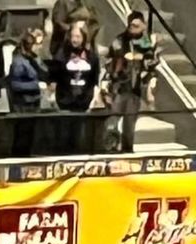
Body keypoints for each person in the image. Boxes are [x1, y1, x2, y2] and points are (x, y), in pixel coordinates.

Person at [105, 9, 158, 153]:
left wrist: (140, 56)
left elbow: (152, 61)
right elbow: (109, 61)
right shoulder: (120, 40)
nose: (133, 29)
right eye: (131, 26)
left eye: (137, 26)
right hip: (119, 86)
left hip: (135, 88)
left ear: (143, 26)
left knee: (130, 125)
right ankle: (110, 149)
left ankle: (127, 150)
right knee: (112, 122)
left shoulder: (146, 41)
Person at [49, 21, 99, 154]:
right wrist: (54, 97)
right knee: (64, 134)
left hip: (82, 101)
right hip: (65, 100)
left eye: (78, 37)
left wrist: (91, 97)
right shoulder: (61, 55)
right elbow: (54, 77)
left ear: (83, 38)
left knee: (79, 135)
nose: (74, 40)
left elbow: (94, 79)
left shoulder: (91, 56)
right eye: (73, 36)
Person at [7, 26, 45, 158]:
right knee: (21, 136)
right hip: (22, 105)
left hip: (33, 104)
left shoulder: (34, 59)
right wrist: (36, 86)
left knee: (30, 136)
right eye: (37, 44)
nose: (40, 47)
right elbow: (14, 84)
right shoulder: (18, 62)